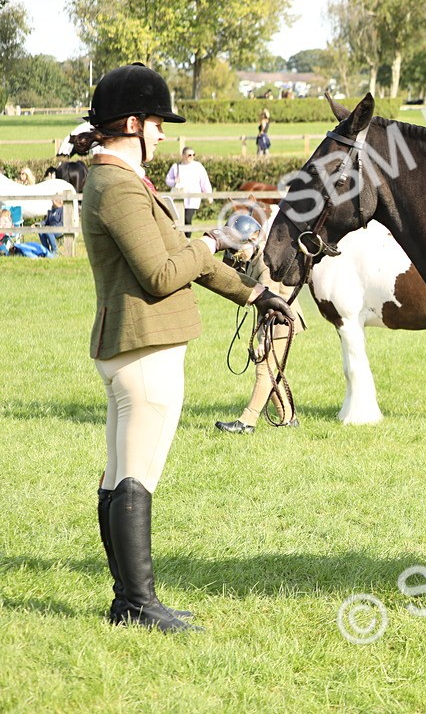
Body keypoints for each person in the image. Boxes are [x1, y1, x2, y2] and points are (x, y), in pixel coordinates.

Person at [79, 63, 294, 633]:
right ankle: (139, 604)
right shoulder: (117, 184)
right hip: (143, 346)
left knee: (120, 472)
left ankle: (130, 599)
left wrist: (255, 294)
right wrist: (211, 240)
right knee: (136, 475)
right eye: (156, 122)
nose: (162, 134)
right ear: (131, 122)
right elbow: (161, 271)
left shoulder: (119, 179)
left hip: (135, 346)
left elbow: (180, 256)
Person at [214, 212, 306, 434]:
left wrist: (264, 342)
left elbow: (273, 304)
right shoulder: (254, 255)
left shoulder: (266, 261)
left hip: (280, 322)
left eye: (237, 249)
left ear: (253, 239)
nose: (235, 255)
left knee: (264, 370)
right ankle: (288, 418)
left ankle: (247, 421)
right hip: (273, 322)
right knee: (270, 371)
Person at [164, 146, 212, 227]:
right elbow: (168, 180)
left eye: (194, 154)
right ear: (183, 155)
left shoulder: (198, 166)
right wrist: (174, 182)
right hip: (179, 197)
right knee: (178, 220)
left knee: (187, 218)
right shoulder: (176, 166)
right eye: (189, 155)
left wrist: (209, 195)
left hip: (193, 198)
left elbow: (204, 181)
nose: (192, 157)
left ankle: (188, 238)